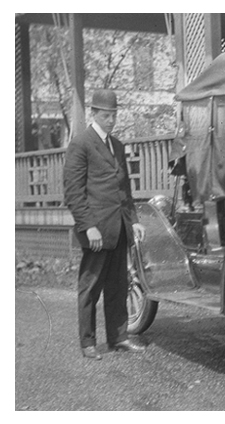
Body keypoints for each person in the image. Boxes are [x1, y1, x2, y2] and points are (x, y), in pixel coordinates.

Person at [63, 89, 147, 360]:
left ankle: (118, 337)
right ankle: (88, 343)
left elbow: (125, 190)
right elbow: (73, 191)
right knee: (90, 287)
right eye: (106, 115)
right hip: (96, 230)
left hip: (119, 228)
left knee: (118, 286)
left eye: (114, 115)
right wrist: (88, 226)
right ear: (94, 113)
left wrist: (133, 221)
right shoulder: (81, 143)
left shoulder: (117, 145)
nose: (111, 120)